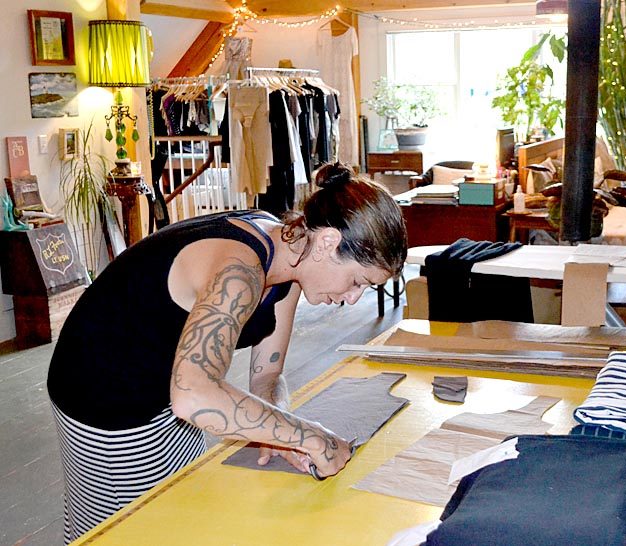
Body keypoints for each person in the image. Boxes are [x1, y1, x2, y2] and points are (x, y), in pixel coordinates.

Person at [47, 162, 408, 542]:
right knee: (125, 529)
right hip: (102, 388)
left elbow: (266, 376)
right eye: (357, 281)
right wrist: (309, 437)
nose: (353, 299)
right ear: (328, 242)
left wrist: (281, 433)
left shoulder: (288, 263)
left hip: (170, 381)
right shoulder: (240, 270)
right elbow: (194, 397)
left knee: (183, 507)